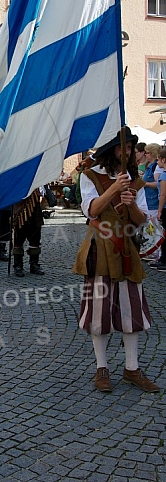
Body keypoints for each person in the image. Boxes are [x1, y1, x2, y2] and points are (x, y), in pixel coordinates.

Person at [73, 127, 159, 393]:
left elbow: (141, 219)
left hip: (126, 251)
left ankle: (131, 369)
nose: (128, 151)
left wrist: (130, 201)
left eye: (131, 147)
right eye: (123, 147)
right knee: (99, 314)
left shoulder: (136, 180)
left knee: (131, 310)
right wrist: (113, 191)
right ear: (111, 150)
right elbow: (91, 210)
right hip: (99, 249)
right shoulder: (90, 176)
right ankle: (102, 368)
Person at [12, 190, 44, 277]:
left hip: (35, 209)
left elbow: (43, 191)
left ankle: (34, 264)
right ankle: (18, 265)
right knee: (18, 239)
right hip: (19, 208)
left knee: (35, 239)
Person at [149, 147, 166, 271]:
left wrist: (160, 210)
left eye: (159, 160)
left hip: (164, 207)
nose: (157, 162)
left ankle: (163, 260)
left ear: (163, 160)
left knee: (163, 235)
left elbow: (163, 195)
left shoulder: (164, 176)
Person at [142, 143, 160, 218]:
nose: (145, 154)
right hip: (149, 201)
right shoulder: (150, 165)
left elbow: (159, 184)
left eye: (147, 152)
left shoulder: (157, 167)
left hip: (154, 203)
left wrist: (145, 183)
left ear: (153, 153)